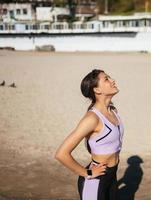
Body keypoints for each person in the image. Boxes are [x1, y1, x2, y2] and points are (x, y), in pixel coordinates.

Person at [55, 69, 124, 200]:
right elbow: (61, 154)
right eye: (106, 79)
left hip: (111, 176)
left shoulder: (113, 111)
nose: (113, 80)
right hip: (95, 180)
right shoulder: (92, 118)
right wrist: (87, 173)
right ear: (97, 90)